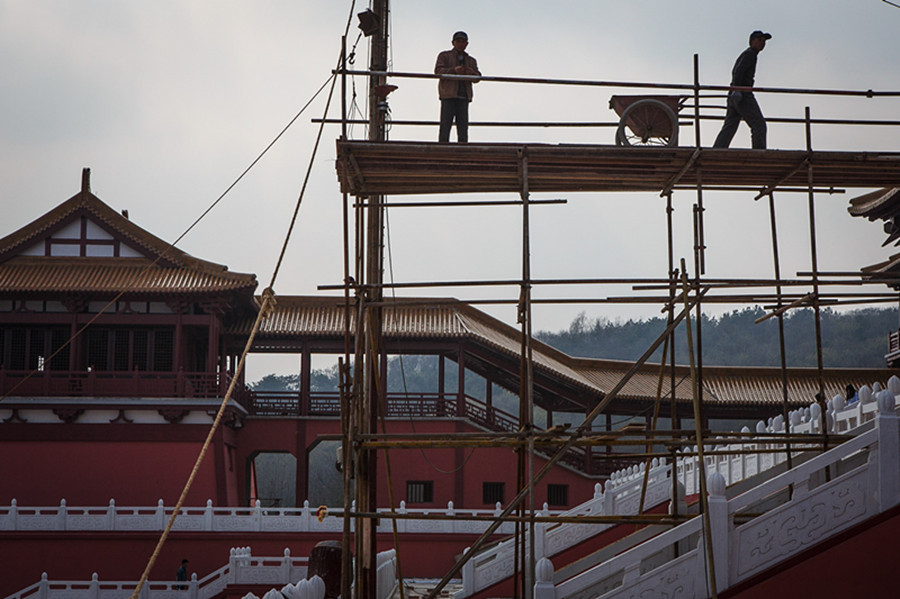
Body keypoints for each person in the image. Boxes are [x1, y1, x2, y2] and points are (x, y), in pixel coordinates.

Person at [713, 30, 772, 149]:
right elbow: (738, 71)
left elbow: (736, 71)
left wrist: (734, 90)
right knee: (759, 124)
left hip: (735, 93)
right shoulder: (750, 54)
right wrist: (737, 89)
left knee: (730, 125)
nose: (762, 43)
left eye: (764, 41)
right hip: (743, 94)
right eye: (759, 40)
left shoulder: (750, 54)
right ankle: (759, 153)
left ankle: (718, 149)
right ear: (751, 41)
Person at [434, 31, 481, 143]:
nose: (460, 44)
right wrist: (453, 70)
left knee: (463, 127)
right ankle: (442, 149)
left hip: (463, 96)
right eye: (458, 41)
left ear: (466, 44)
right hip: (448, 96)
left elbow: (478, 78)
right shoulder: (444, 56)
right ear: (453, 43)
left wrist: (470, 73)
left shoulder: (471, 60)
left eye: (463, 41)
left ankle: (462, 149)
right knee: (445, 124)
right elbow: (438, 72)